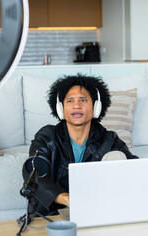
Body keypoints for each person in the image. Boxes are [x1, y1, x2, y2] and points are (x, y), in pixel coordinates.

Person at [22, 74, 138, 216]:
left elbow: (135, 170)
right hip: (52, 215)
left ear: (96, 107)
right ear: (60, 108)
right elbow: (33, 173)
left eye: (83, 100)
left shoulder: (109, 139)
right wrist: (69, 199)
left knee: (117, 156)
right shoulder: (47, 137)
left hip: (97, 212)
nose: (77, 105)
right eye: (70, 101)